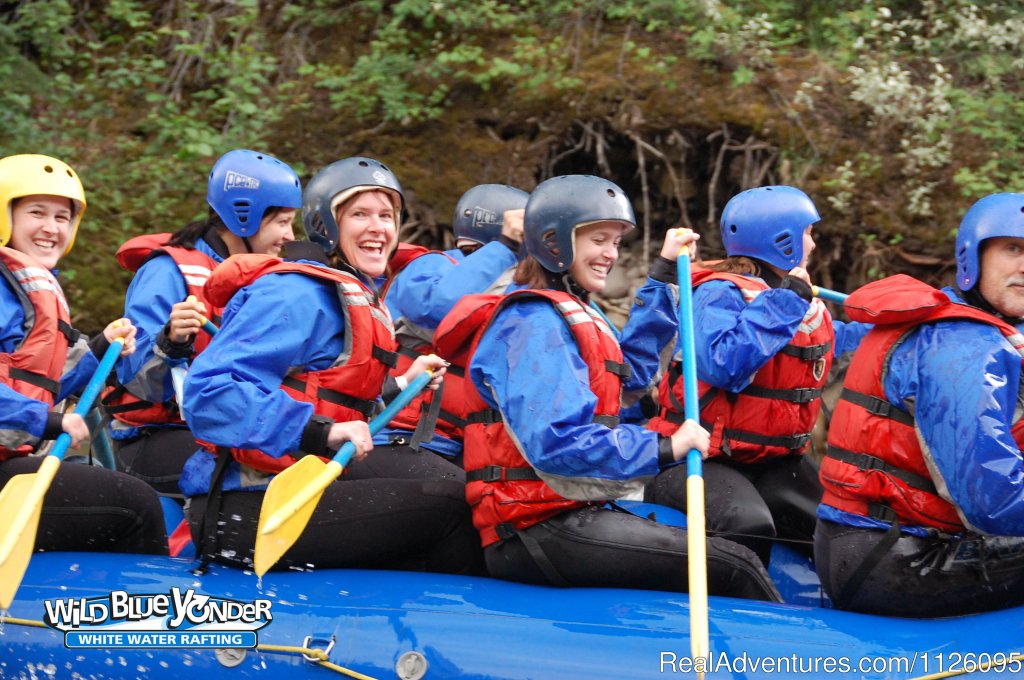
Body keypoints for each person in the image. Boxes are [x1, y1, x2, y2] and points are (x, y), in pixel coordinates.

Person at [434, 174, 779, 599]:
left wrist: (664, 273)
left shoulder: (573, 310)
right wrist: (663, 447)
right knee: (734, 566)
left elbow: (628, 373)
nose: (611, 254)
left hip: (566, 512)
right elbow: (557, 444)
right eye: (599, 240)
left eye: (616, 242)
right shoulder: (531, 322)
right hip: (532, 529)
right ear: (554, 242)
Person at [179, 156, 482, 575]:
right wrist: (320, 431)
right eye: (360, 214)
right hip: (247, 508)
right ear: (326, 225)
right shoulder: (296, 293)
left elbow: (328, 398)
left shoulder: (353, 295)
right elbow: (207, 395)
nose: (379, 227)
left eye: (387, 215)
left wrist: (398, 387)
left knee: (464, 491)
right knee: (456, 508)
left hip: (301, 488)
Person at [816, 192, 1024, 617]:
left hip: (869, 545)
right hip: (895, 561)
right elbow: (992, 502)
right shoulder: (962, 347)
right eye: (1013, 248)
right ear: (973, 255)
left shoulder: (977, 332)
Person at [645, 186, 869, 564]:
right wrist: (786, 303)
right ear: (782, 242)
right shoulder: (719, 293)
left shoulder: (794, 298)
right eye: (808, 233)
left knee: (845, 528)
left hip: (772, 461)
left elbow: (836, 339)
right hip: (697, 457)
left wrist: (896, 327)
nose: (812, 245)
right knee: (748, 524)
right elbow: (722, 362)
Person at [105, 149, 302, 499]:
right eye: (282, 222)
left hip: (227, 427)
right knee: (261, 473)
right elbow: (136, 381)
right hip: (155, 435)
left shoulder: (264, 279)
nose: (290, 235)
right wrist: (171, 341)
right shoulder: (167, 272)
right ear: (247, 218)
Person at [0, 153, 166, 555]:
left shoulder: (23, 288)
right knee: (136, 505)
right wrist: (47, 420)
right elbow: (33, 405)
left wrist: (97, 350)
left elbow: (38, 380)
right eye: (37, 213)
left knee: (99, 484)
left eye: (62, 218)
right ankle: (142, 612)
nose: (51, 228)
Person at [379, 184, 528, 465]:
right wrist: (506, 249)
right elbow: (434, 306)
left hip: (472, 447)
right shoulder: (434, 265)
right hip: (407, 438)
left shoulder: (528, 287)